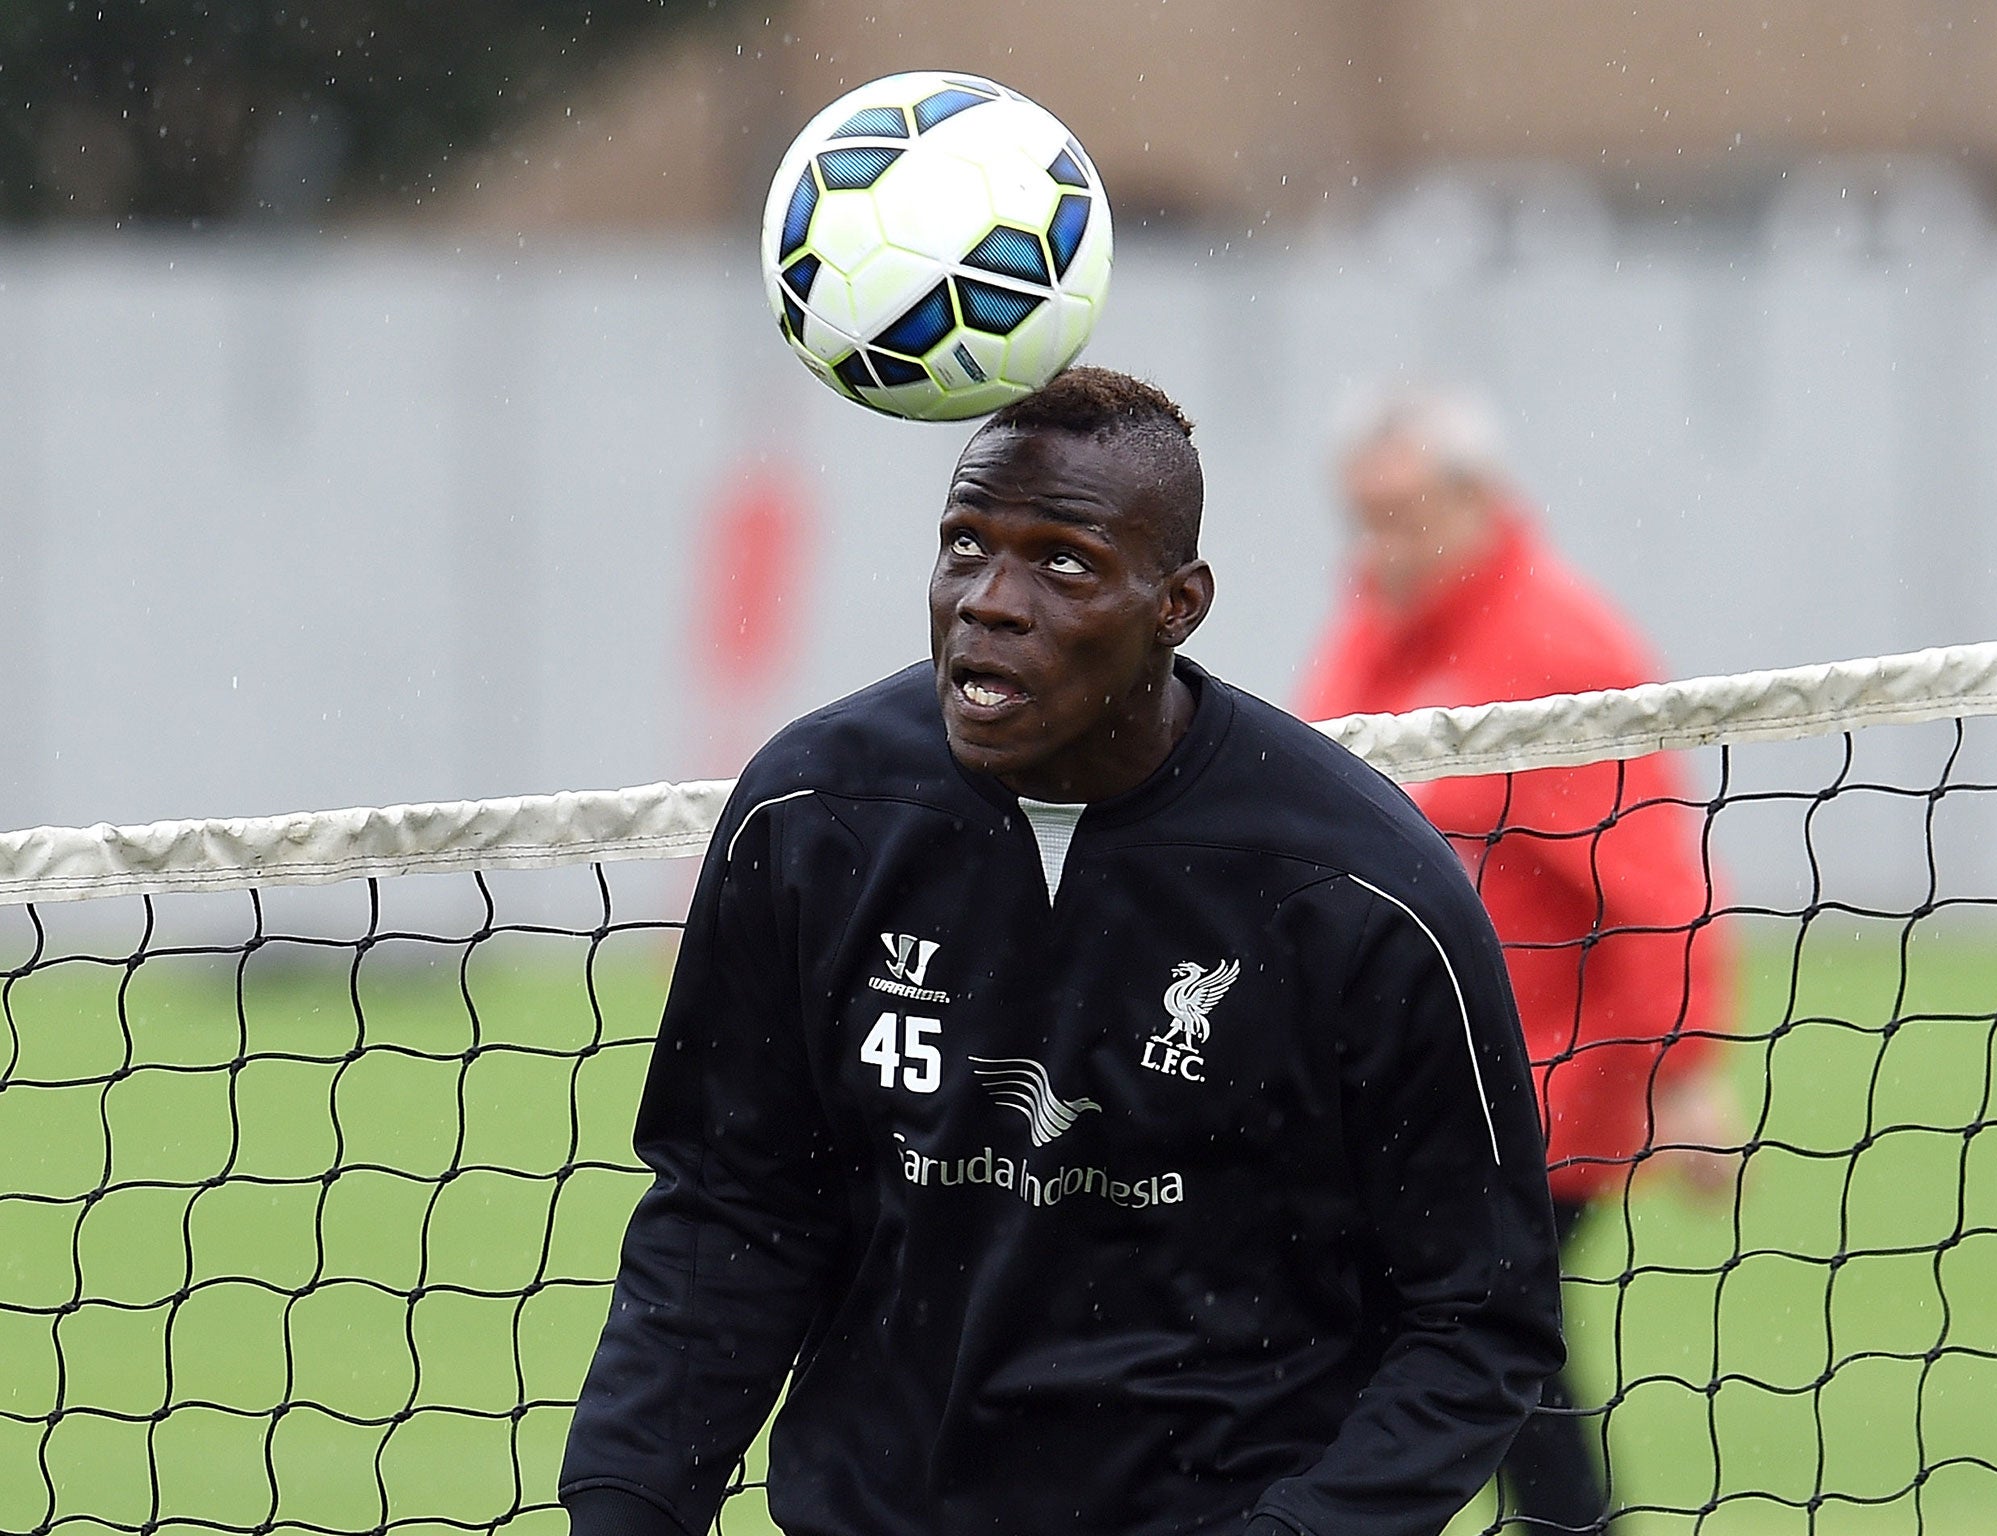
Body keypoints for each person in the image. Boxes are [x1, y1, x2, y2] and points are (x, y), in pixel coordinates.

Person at [560, 367, 1564, 1536]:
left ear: (1176, 603)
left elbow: (1477, 1320)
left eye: (1062, 562)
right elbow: (731, 1214)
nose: (988, 600)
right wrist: (629, 1505)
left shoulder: (1360, 894)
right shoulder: (808, 817)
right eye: (963, 545)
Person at [1299, 385, 1736, 1534]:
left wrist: (1683, 1071)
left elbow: (1653, 886)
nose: (1375, 546)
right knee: (1477, 1363)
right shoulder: (1369, 635)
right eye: (1360, 517)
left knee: (1469, 1352)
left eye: (1397, 516)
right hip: (1389, 1092)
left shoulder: (1555, 646)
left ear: (1472, 502)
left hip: (1537, 1094)